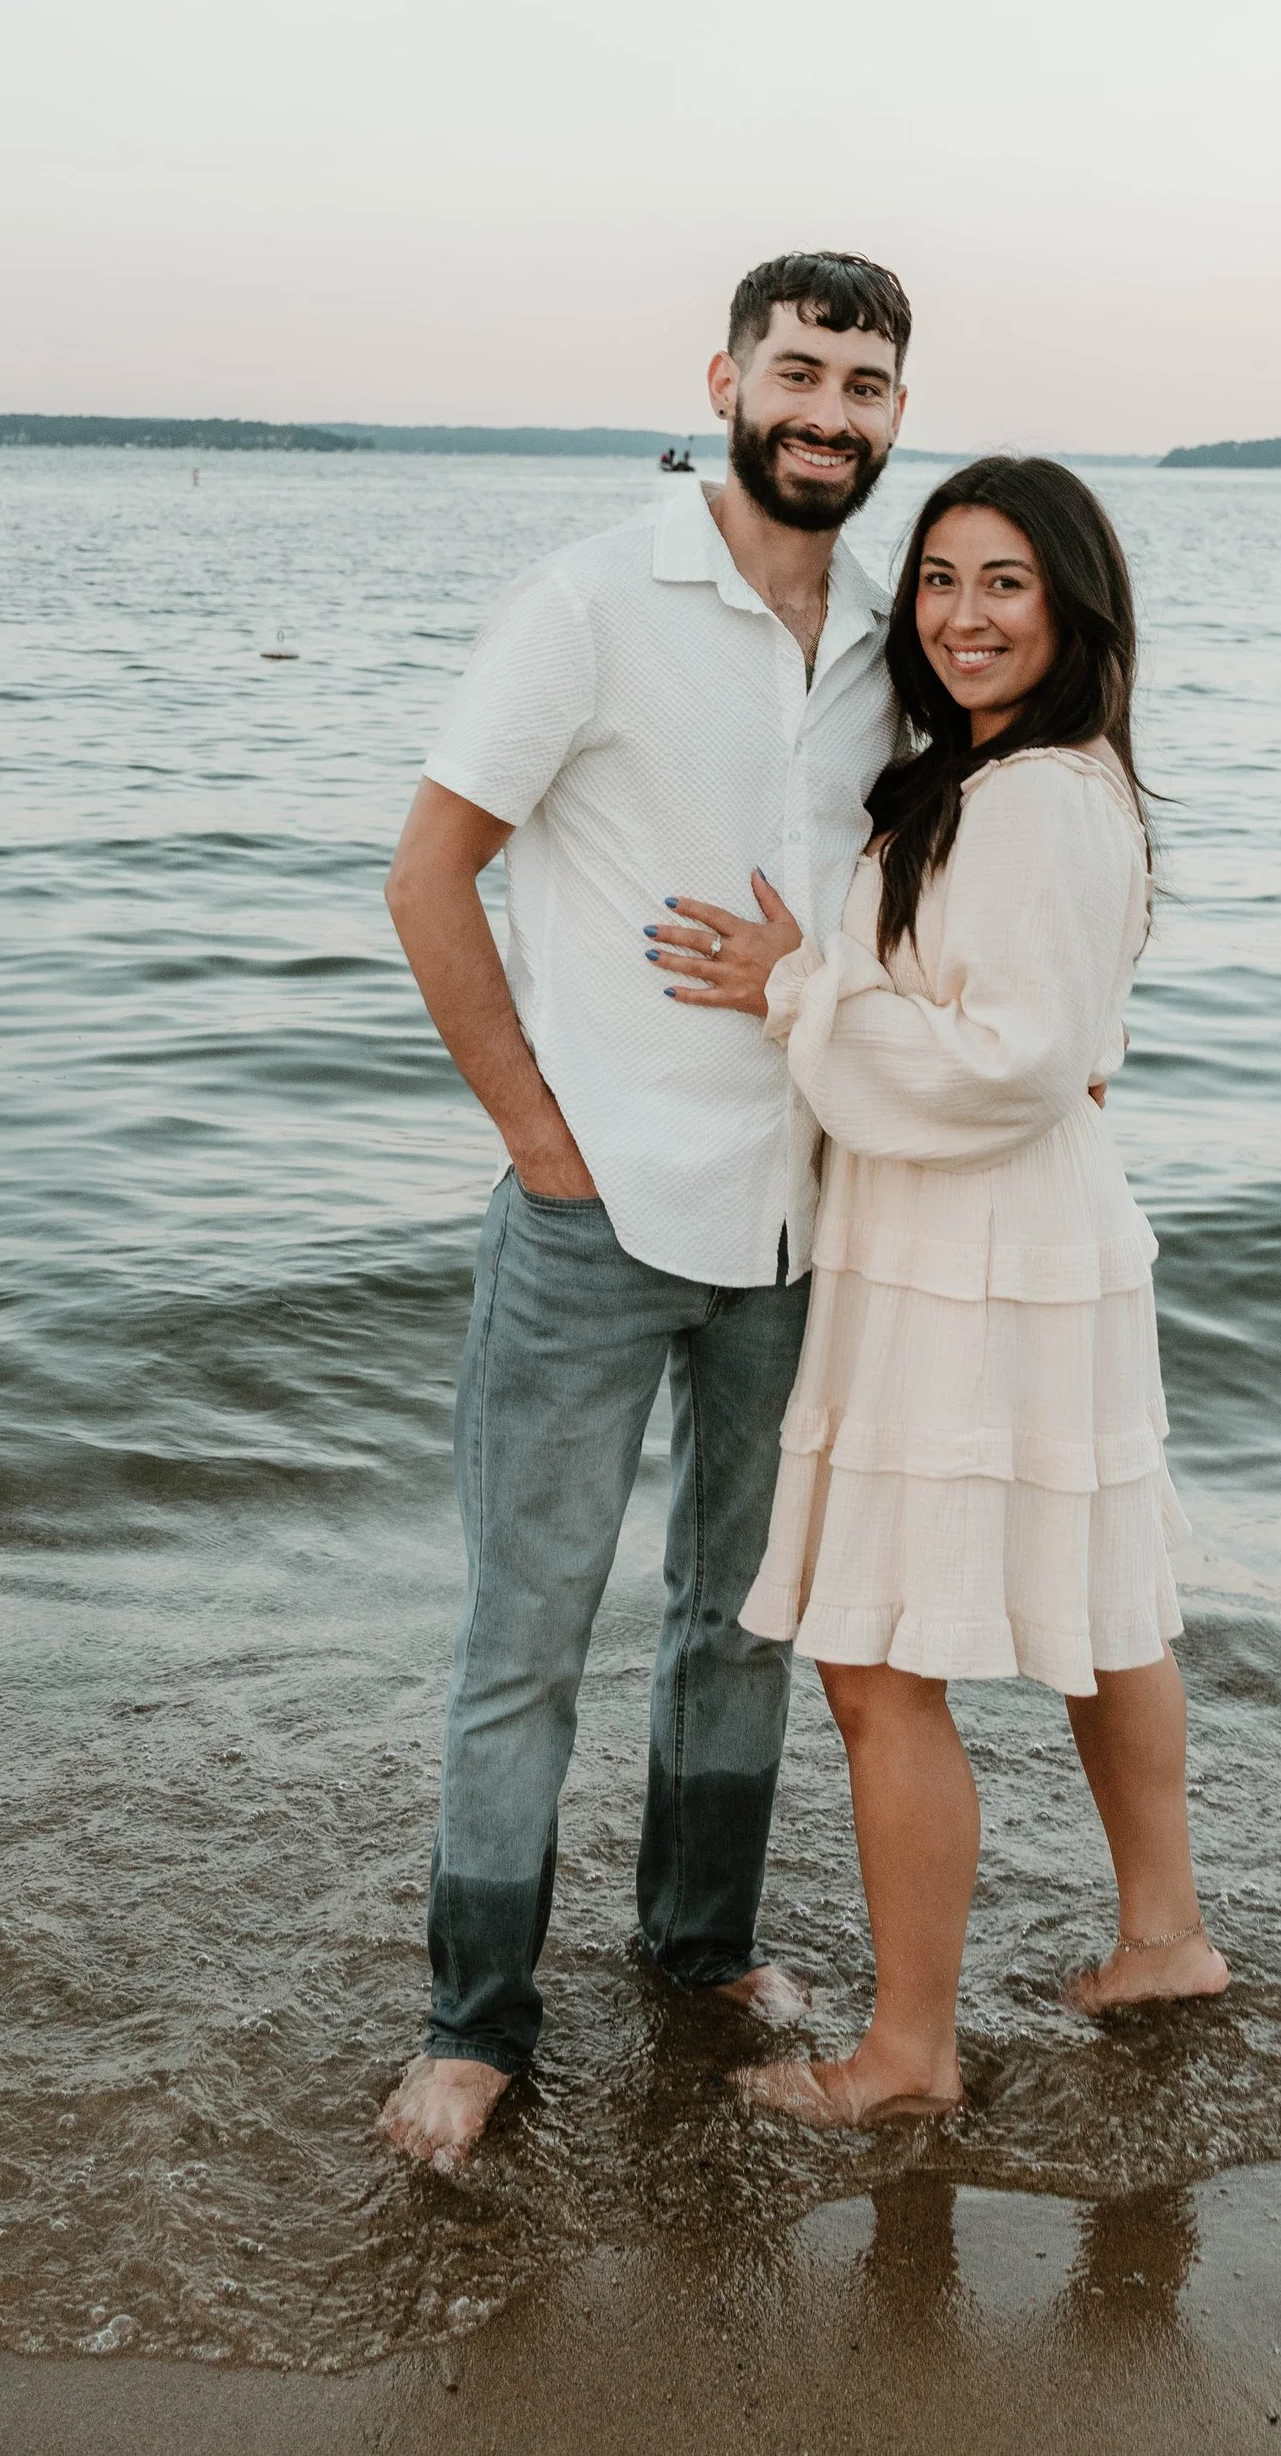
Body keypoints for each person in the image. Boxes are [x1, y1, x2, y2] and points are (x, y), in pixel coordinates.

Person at [375, 252, 914, 2171]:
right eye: (799, 371)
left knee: (742, 1621)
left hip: (797, 1219)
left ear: (895, 413)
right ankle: (473, 2023)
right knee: (526, 1633)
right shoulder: (593, 598)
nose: (829, 412)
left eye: (865, 384)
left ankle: (699, 1952)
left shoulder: (882, 632)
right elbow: (429, 877)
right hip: (595, 1217)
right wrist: (538, 1138)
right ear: (727, 377)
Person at [646, 455, 1226, 2126]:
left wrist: (798, 988)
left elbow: (1008, 1062)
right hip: (1021, 1235)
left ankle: (907, 2057)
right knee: (1100, 1600)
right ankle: (1163, 1935)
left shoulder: (1038, 794)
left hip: (973, 1253)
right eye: (944, 580)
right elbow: (1056, 1046)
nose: (964, 617)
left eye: (1006, 584)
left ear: (1073, 607)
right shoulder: (1015, 779)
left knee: (877, 1663)